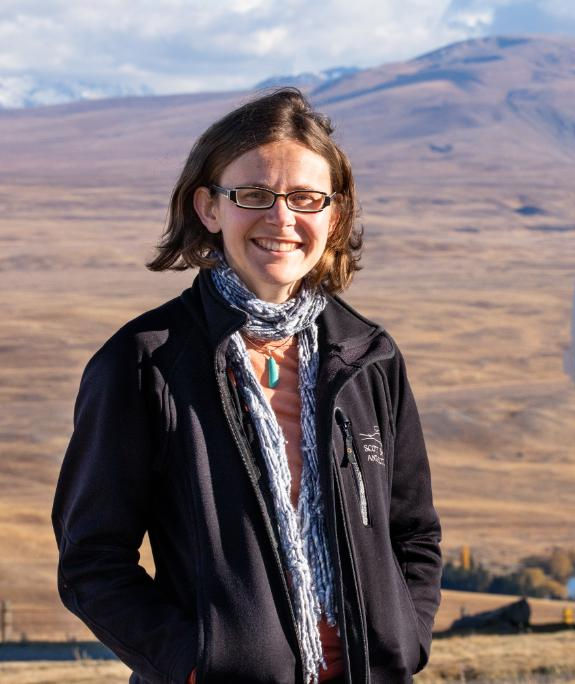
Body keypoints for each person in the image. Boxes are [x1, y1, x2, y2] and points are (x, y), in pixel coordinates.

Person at [52, 87, 442, 683]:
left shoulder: (368, 358)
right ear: (209, 208)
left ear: (333, 215)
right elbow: (92, 561)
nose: (282, 219)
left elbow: (412, 533)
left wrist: (405, 642)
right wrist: (194, 664)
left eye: (306, 198)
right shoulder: (147, 364)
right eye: (254, 195)